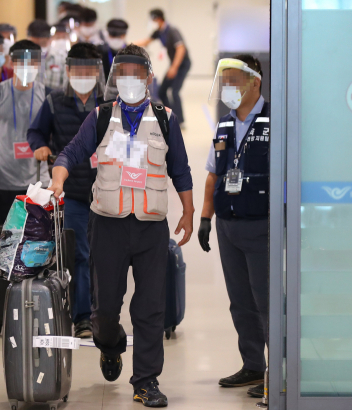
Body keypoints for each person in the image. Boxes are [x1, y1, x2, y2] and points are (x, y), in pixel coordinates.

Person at [48, 44, 194, 408]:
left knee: (150, 308)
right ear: (115, 78)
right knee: (105, 311)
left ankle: (146, 381)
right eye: (122, 73)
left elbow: (181, 169)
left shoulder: (164, 118)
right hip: (108, 227)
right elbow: (71, 152)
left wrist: (189, 213)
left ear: (148, 77)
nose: (129, 79)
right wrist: (58, 178)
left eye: (136, 72)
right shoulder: (100, 117)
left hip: (150, 228)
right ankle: (110, 347)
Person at [197, 56, 269, 398]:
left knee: (267, 301)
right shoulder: (224, 124)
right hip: (228, 225)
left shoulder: (275, 121)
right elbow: (213, 174)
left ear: (255, 82)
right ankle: (253, 365)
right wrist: (205, 219)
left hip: (262, 225)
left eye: (234, 80)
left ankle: (280, 374)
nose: (228, 88)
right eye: (223, 81)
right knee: (240, 301)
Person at [27, 42, 105, 339]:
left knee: (104, 256)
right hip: (70, 193)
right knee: (80, 256)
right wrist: (40, 146)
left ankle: (104, 312)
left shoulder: (109, 103)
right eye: (78, 68)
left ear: (98, 72)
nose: (84, 74)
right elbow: (35, 132)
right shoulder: (54, 101)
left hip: (106, 194)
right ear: (68, 70)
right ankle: (83, 317)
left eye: (90, 69)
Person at [0, 40, 50, 225]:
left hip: (40, 180)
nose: (27, 67)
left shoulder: (48, 95)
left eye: (32, 62)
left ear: (38, 64)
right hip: (3, 180)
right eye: (22, 61)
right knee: (5, 237)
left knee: (39, 240)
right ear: (12, 63)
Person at [136, 9, 191, 128]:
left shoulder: (172, 31)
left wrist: (174, 67)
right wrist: (127, 44)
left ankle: (179, 121)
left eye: (153, 20)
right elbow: (146, 41)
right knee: (162, 91)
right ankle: (169, 115)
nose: (152, 22)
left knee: (174, 91)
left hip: (182, 64)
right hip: (174, 65)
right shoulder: (159, 32)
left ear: (159, 19)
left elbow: (181, 49)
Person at [43, 22, 71, 90]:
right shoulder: (45, 55)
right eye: (57, 37)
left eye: (64, 37)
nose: (61, 40)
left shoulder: (70, 58)